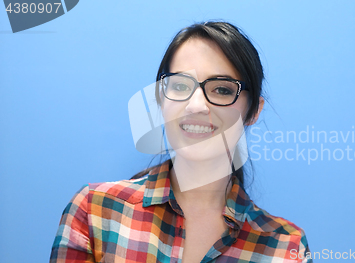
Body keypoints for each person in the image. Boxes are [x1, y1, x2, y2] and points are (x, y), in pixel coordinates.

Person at [50, 21, 312, 263]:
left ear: (254, 111)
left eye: (222, 89)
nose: (196, 105)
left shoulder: (286, 247)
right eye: (179, 86)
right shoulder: (96, 211)